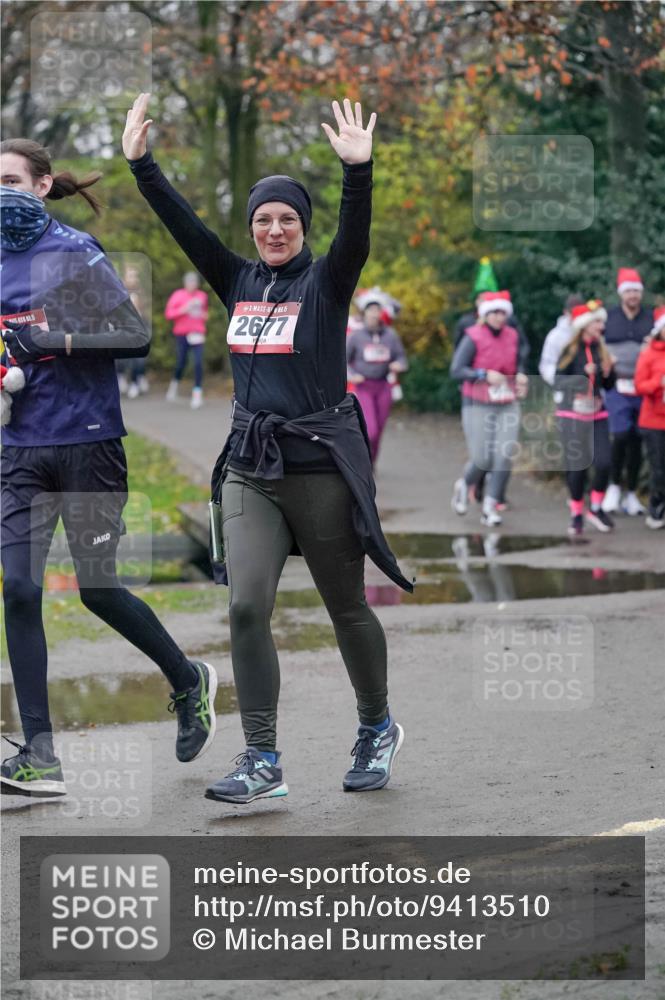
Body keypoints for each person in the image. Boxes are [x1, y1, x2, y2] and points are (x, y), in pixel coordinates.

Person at [123, 93, 412, 803]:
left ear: (301, 227)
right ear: (251, 230)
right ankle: (261, 759)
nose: (274, 228)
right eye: (263, 220)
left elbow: (355, 237)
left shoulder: (326, 280)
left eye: (286, 219)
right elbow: (184, 227)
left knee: (345, 606)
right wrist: (142, 165)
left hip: (320, 467)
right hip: (251, 468)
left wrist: (358, 172)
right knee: (246, 607)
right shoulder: (237, 279)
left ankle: (375, 726)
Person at [0, 139, 217, 798]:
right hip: (19, 450)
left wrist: (54, 341)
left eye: (10, 180)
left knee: (96, 589)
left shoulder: (73, 252)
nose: (0, 192)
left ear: (40, 186)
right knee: (19, 589)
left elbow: (134, 337)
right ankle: (40, 755)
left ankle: (186, 678)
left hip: (90, 443)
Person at [450, 290, 529, 527]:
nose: (499, 317)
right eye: (494, 312)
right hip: (477, 403)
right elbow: (457, 370)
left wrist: (522, 377)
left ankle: (490, 506)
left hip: (507, 402)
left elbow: (519, 363)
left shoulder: (513, 335)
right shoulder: (472, 336)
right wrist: (483, 374)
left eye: (502, 312)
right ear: (485, 314)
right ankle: (464, 484)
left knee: (504, 455)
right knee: (482, 458)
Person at [554, 300, 616, 537]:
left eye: (602, 321)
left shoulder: (602, 350)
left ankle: (597, 507)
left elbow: (608, 386)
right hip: (571, 414)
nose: (602, 326)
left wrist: (607, 372)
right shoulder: (570, 351)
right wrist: (583, 375)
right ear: (585, 326)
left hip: (597, 412)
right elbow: (558, 381)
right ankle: (577, 513)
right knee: (577, 468)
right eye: (597, 322)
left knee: (604, 462)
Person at [602, 268, 653, 515]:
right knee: (620, 434)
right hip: (617, 385)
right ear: (622, 294)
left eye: (636, 291)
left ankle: (631, 494)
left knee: (637, 438)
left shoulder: (650, 318)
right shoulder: (609, 317)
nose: (633, 295)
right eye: (629, 291)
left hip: (643, 387)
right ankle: (613, 486)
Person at [346, 288, 408, 465]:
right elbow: (343, 360)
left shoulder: (390, 335)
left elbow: (401, 357)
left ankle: (370, 464)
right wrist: (352, 375)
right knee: (370, 430)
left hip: (383, 386)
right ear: (364, 312)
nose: (374, 314)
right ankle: (363, 462)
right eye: (371, 310)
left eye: (377, 310)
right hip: (364, 386)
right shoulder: (356, 336)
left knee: (379, 431)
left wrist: (399, 365)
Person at [634, 305, 665, 529]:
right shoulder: (649, 354)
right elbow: (639, 386)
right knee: (659, 469)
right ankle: (656, 510)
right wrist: (658, 383)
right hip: (654, 421)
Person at [164, 271, 209, 409]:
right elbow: (168, 314)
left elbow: (205, 313)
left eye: (194, 282)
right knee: (181, 362)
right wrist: (183, 310)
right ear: (185, 283)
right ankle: (174, 385)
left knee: (198, 363)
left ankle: (197, 394)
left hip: (197, 333)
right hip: (182, 334)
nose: (192, 284)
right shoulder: (178, 295)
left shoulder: (202, 296)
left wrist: (204, 316)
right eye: (189, 282)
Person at [117, 262, 151, 399]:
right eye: (131, 275)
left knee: (139, 358)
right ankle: (122, 378)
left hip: (140, 326)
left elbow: (146, 310)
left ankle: (136, 382)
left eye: (135, 275)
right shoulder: (119, 291)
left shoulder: (142, 292)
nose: (133, 278)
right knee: (124, 358)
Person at [538, 293, 584, 387]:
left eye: (579, 313)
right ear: (565, 312)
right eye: (572, 313)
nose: (576, 316)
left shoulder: (589, 332)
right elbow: (546, 366)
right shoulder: (554, 337)